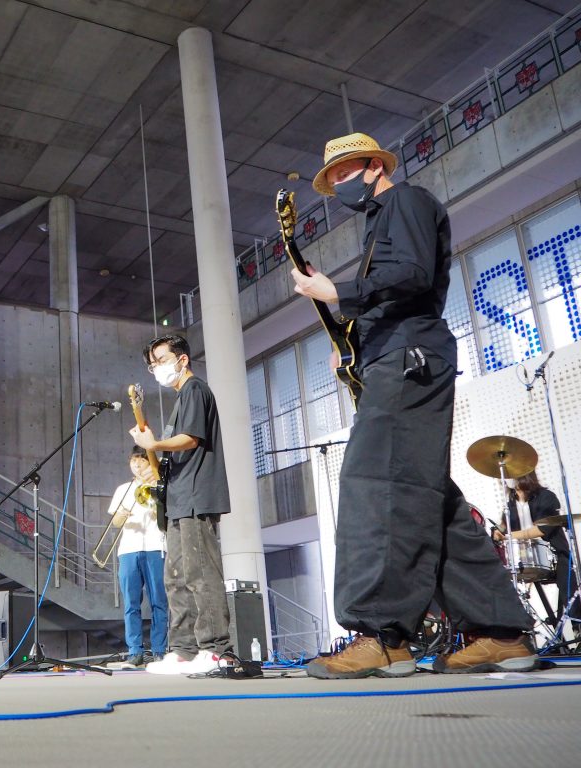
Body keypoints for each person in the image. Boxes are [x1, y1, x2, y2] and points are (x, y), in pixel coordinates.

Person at [291, 132, 535, 678]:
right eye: (332, 181)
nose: (338, 185)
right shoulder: (385, 219)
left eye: (345, 172)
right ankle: (500, 631)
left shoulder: (405, 201)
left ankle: (382, 636)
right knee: (426, 497)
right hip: (400, 356)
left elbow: (413, 275)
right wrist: (354, 340)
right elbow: (400, 285)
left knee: (376, 485)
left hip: (410, 357)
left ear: (375, 166)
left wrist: (340, 296)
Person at [129, 334, 233, 675]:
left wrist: (154, 443)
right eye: (153, 364)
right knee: (176, 578)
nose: (156, 368)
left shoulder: (195, 391)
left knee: (201, 573)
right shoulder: (180, 398)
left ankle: (216, 649)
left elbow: (191, 438)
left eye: (161, 360)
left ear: (182, 359)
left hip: (196, 497)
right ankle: (185, 648)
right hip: (177, 500)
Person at [107, 446, 169, 667]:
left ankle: (160, 649)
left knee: (159, 602)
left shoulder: (161, 486)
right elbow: (114, 522)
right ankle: (135, 651)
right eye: (133, 461)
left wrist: (158, 511)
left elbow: (167, 520)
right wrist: (121, 516)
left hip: (155, 546)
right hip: (128, 549)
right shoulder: (123, 489)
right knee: (131, 603)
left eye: (141, 461)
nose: (136, 465)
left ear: (149, 462)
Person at [494, 471, 578, 624]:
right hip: (523, 559)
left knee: (568, 589)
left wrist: (509, 535)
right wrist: (497, 531)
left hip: (555, 555)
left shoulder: (546, 497)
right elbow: (503, 527)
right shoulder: (510, 505)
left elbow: (541, 530)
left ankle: (578, 628)